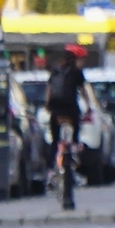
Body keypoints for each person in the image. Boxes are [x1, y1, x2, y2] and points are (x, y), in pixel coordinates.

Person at [43, 46, 86, 208]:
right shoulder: (76, 72)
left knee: (55, 140)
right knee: (74, 136)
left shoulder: (56, 70)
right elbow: (83, 91)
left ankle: (52, 168)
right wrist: (88, 106)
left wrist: (47, 106)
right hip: (70, 110)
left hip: (55, 111)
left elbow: (49, 90)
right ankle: (72, 157)